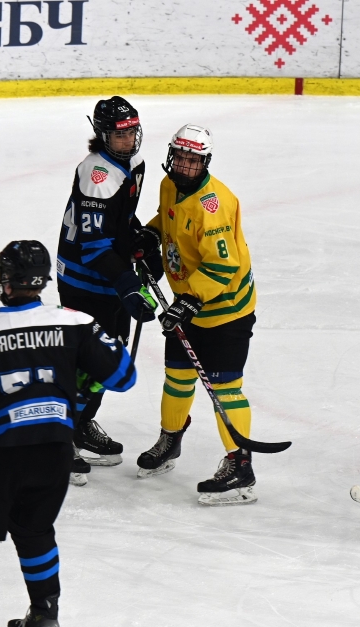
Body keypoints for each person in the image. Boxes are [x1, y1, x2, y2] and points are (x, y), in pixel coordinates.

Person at [0, 240, 136, 627]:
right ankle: (45, 617)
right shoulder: (76, 322)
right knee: (35, 531)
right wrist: (88, 379)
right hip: (54, 450)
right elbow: (124, 376)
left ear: (6, 281)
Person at [132, 124, 261, 505]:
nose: (186, 166)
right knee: (178, 376)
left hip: (226, 310)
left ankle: (240, 464)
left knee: (225, 388)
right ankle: (170, 439)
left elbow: (223, 264)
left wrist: (188, 301)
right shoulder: (169, 184)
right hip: (188, 302)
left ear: (205, 162)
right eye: (182, 158)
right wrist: (152, 233)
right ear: (172, 156)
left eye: (194, 160)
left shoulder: (213, 205)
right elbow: (169, 219)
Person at [54, 96, 157, 480]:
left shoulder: (134, 164)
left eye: (132, 132)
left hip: (108, 277)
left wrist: (137, 237)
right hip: (83, 280)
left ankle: (81, 423)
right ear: (102, 135)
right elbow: (94, 246)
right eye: (119, 134)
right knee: (85, 361)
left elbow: (118, 220)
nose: (128, 140)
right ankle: (59, 440)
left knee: (107, 357)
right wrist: (128, 284)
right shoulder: (96, 174)